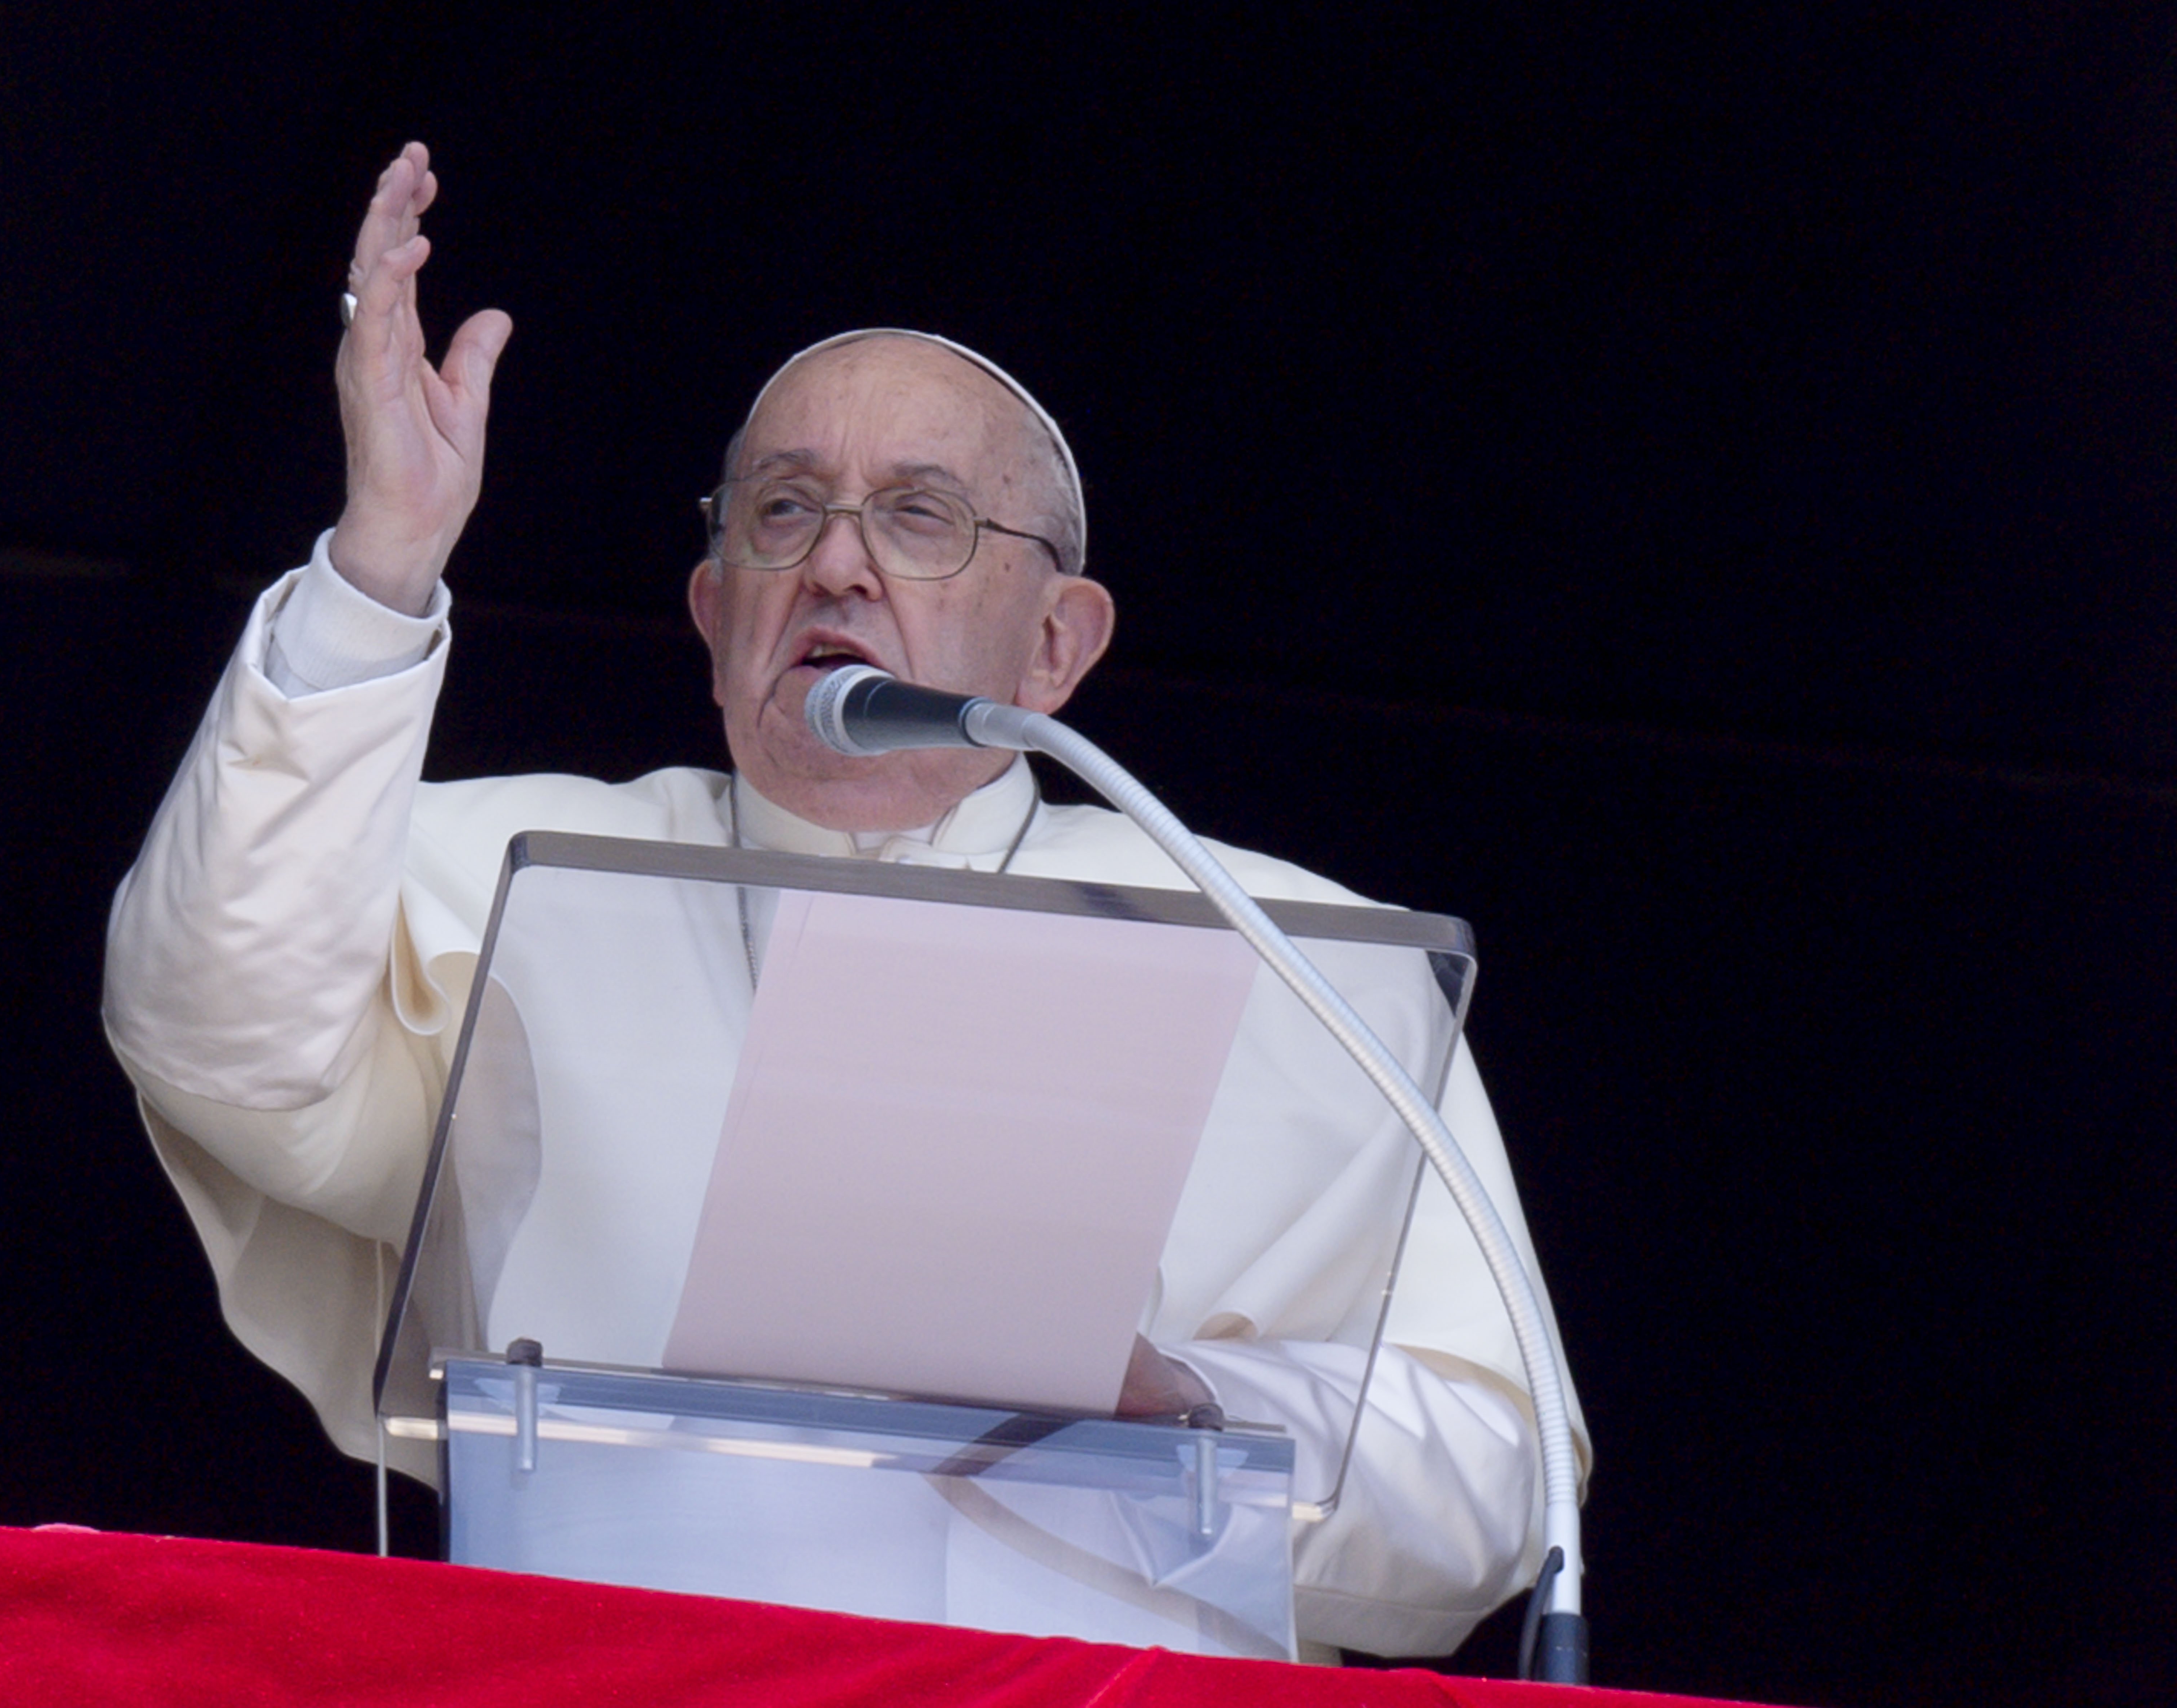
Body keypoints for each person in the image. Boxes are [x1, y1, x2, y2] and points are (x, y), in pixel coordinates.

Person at [104, 143, 1585, 1660]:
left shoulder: (1274, 945)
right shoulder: (506, 875)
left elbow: (1493, 1489)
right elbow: (216, 1035)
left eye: (922, 519)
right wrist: (380, 569)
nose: (839, 568)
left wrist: (1184, 1412)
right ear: (712, 610)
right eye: (783, 514)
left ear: (1056, 645)